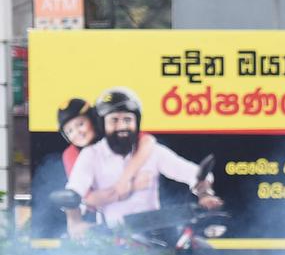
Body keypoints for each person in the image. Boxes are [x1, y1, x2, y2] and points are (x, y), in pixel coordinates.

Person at [65, 87, 221, 238]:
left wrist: (205, 194)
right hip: (114, 239)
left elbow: (194, 174)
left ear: (137, 122)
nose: (122, 126)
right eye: (114, 120)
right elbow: (73, 193)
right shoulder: (90, 155)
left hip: (158, 235)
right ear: (102, 124)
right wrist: (75, 222)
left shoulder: (152, 150)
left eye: (128, 119)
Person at [57, 96, 156, 192]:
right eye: (69, 131)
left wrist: (126, 178)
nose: (77, 132)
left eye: (80, 124)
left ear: (93, 119)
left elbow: (147, 141)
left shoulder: (112, 131)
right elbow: (84, 195)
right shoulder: (71, 154)